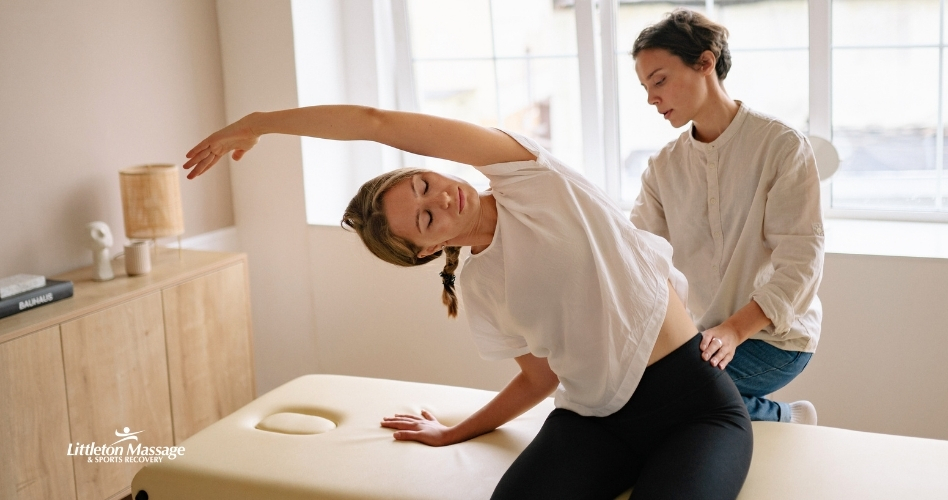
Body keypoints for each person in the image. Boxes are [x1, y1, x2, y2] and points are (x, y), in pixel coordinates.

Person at [182, 105, 752, 499]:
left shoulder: (530, 177)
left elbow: (374, 122)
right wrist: (453, 432)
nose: (441, 199)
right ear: (427, 250)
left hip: (692, 409)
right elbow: (537, 379)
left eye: (424, 185)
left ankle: (771, 411)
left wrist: (261, 124)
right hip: (595, 422)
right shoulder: (480, 285)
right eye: (425, 220)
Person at [630, 10, 825, 424]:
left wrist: (734, 330)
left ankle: (785, 417)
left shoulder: (781, 147)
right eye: (645, 88)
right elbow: (639, 258)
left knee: (659, 396)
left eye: (660, 80)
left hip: (774, 338)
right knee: (622, 386)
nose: (651, 98)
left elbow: (801, 265)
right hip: (700, 338)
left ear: (705, 62)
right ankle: (774, 416)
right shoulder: (663, 168)